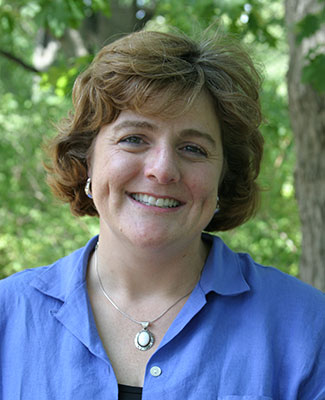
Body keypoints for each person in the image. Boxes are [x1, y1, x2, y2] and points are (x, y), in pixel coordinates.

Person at [1, 28, 324, 400]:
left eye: (193, 148)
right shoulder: (8, 318)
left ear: (223, 177)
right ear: (86, 159)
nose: (163, 169)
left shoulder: (307, 329)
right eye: (134, 138)